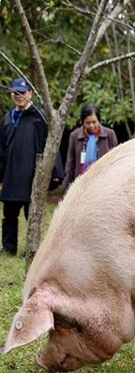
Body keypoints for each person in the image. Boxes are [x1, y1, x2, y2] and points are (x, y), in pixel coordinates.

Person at [0, 78, 64, 256]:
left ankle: (33, 250)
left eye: (22, 92)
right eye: (15, 93)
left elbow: (51, 145)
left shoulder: (40, 117)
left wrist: (55, 172)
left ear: (31, 93)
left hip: (32, 176)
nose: (19, 96)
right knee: (9, 215)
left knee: (32, 215)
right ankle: (8, 247)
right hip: (11, 176)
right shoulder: (8, 118)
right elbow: (1, 149)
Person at [63, 105, 118, 190]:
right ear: (83, 122)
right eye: (88, 123)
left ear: (99, 120)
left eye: (94, 122)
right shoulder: (75, 136)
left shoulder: (109, 134)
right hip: (81, 183)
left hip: (105, 182)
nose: (91, 125)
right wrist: (66, 187)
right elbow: (70, 163)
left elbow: (116, 161)